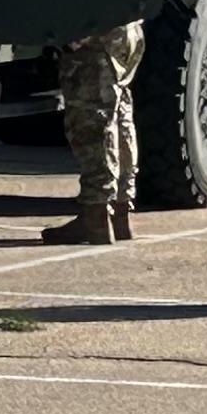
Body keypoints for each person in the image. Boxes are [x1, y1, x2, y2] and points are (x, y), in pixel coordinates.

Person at [37, 19, 142, 245]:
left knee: (92, 123)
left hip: (94, 29)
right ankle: (120, 215)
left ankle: (96, 216)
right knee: (120, 116)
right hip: (125, 28)